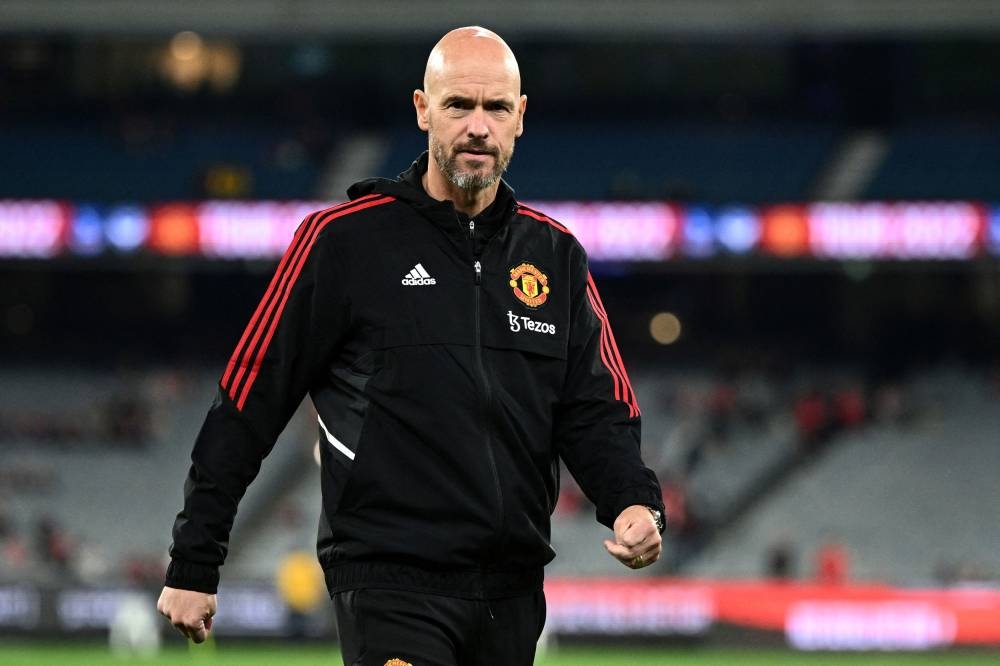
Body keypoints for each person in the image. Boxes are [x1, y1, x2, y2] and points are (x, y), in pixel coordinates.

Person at [157, 26, 664, 665]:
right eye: (459, 106)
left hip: (510, 591)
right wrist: (195, 557)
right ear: (423, 109)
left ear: (520, 118)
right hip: (388, 583)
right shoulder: (341, 242)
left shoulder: (555, 255)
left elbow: (595, 408)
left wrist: (631, 501)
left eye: (496, 108)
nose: (478, 126)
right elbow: (248, 398)